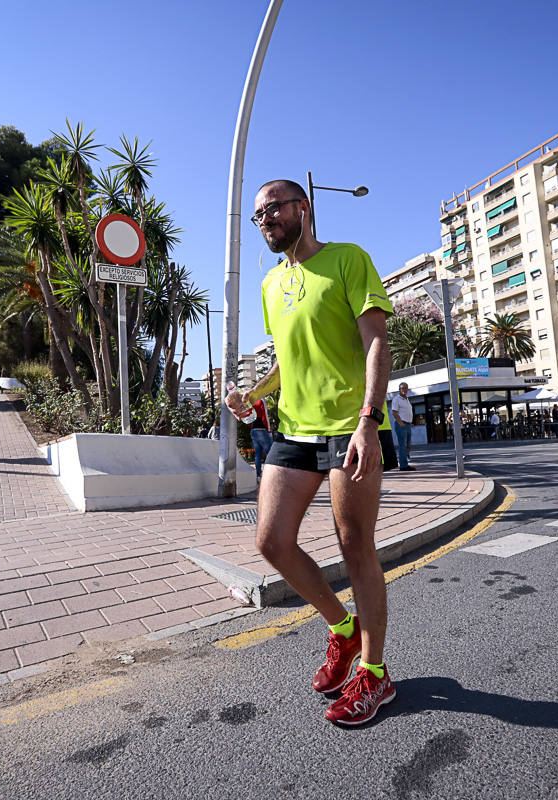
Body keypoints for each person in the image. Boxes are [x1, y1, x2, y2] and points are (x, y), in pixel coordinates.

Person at [225, 178, 398, 727]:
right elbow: (289, 360)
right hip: (294, 431)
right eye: (258, 216)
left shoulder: (348, 260)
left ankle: (374, 674)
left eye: (273, 209)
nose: (265, 221)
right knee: (271, 541)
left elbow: (375, 342)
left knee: (355, 546)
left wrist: (369, 420)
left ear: (304, 208)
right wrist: (253, 394)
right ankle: (342, 630)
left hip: (350, 427)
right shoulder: (272, 284)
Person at [389, 382, 415, 471]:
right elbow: (394, 412)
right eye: (403, 388)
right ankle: (403, 466)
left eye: (406, 388)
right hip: (401, 425)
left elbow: (406, 412)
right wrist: (400, 422)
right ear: (399, 389)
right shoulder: (397, 399)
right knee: (403, 445)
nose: (404, 390)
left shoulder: (407, 399)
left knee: (408, 444)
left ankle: (405, 460)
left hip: (407, 424)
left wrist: (409, 422)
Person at [247, 397, 272, 479]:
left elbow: (248, 417)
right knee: (270, 453)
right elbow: (265, 416)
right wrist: (269, 429)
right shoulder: (261, 400)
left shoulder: (250, 403)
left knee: (258, 454)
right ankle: (270, 474)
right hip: (262, 430)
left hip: (253, 430)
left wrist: (251, 428)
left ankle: (258, 475)